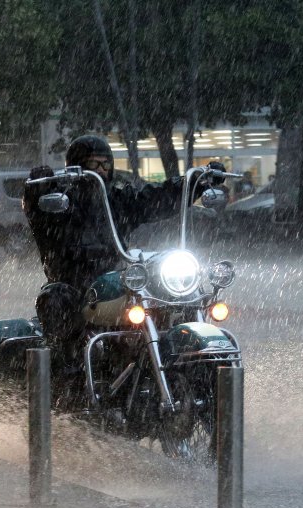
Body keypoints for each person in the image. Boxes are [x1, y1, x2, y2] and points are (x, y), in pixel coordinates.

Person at [23, 134, 225, 385]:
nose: (101, 170)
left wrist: (196, 183)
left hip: (115, 283)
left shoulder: (118, 201)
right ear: (75, 165)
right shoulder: (59, 203)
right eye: (93, 164)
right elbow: (35, 209)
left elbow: (155, 198)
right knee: (55, 300)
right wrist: (36, 187)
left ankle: (170, 365)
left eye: (105, 164)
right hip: (73, 283)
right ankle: (66, 378)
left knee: (166, 299)